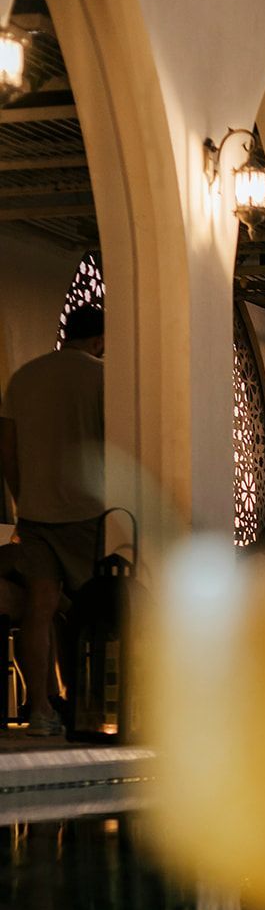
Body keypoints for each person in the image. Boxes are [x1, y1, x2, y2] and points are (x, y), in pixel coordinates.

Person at [0, 304, 105, 736]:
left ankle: (41, 708)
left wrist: (24, 498)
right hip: (86, 512)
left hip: (37, 512)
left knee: (40, 609)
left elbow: (6, 446)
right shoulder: (102, 376)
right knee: (89, 611)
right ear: (100, 339)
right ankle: (89, 708)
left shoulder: (24, 377)